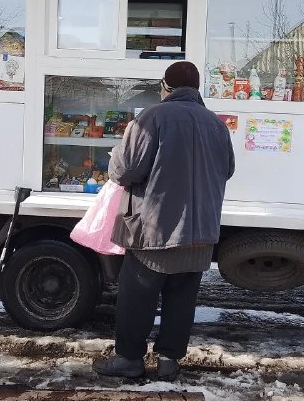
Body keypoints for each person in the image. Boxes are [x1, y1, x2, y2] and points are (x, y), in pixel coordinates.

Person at [93, 61, 235, 380]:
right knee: (182, 300)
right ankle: (169, 361)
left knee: (137, 299)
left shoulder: (152, 117)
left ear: (165, 87)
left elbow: (125, 171)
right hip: (200, 230)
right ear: (196, 89)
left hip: (155, 230)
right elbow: (227, 170)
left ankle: (130, 359)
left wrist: (115, 156)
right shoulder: (217, 125)